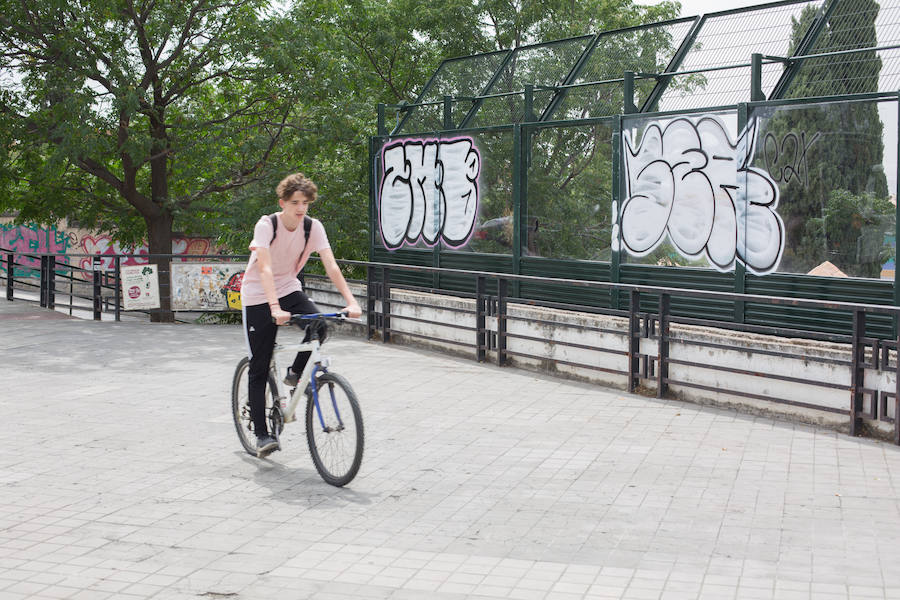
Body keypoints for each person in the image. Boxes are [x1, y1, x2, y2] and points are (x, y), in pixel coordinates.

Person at [240, 173, 362, 458]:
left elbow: (331, 265)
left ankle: (295, 374)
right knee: (259, 365)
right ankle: (261, 434)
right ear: (282, 202)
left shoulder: (312, 227)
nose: (300, 208)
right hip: (258, 294)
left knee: (319, 324)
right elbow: (265, 268)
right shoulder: (267, 225)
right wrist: (274, 309)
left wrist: (351, 302)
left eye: (305, 202)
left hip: (289, 288)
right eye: (295, 202)